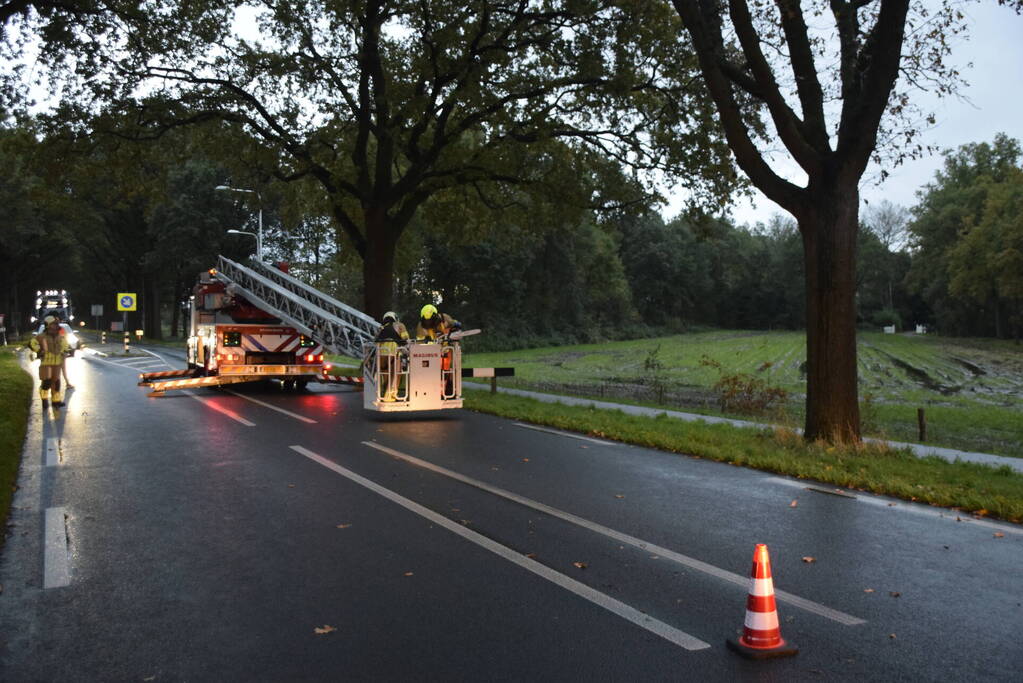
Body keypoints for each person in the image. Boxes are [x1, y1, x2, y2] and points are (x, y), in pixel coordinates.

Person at [29, 315, 70, 409]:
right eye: (53, 324)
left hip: (57, 364)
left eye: (56, 324)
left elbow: (65, 345)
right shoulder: (41, 336)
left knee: (56, 384)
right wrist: (39, 350)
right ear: (48, 325)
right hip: (46, 364)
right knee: (46, 383)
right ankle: (44, 400)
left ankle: (56, 402)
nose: (56, 325)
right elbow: (32, 343)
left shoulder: (60, 336)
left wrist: (65, 351)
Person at [374, 311, 409, 401]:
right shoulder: (400, 325)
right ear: (395, 318)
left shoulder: (381, 328)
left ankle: (381, 394)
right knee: (396, 375)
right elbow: (406, 340)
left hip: (381, 355)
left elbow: (376, 340)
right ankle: (391, 396)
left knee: (385, 375)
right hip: (394, 353)